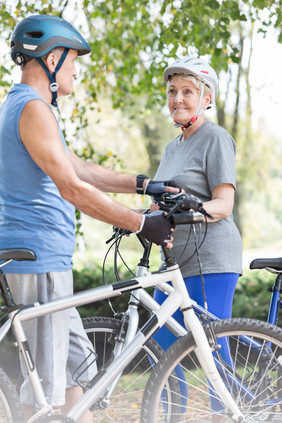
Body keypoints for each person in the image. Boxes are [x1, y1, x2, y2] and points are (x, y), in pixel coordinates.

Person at [0, 14, 179, 423]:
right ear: (52, 58)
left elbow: (78, 167)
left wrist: (142, 184)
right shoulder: (31, 108)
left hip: (48, 258)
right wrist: (140, 223)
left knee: (78, 369)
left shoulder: (30, 107)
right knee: (45, 390)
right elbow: (72, 188)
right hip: (38, 259)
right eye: (73, 59)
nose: (76, 69)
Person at [151, 56, 242, 422]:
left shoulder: (216, 138)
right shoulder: (173, 148)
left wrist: (192, 210)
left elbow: (223, 203)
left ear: (206, 98)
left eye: (188, 91)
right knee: (161, 350)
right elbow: (162, 203)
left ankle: (230, 417)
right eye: (173, 91)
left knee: (213, 352)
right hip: (174, 262)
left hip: (213, 257)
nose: (178, 98)